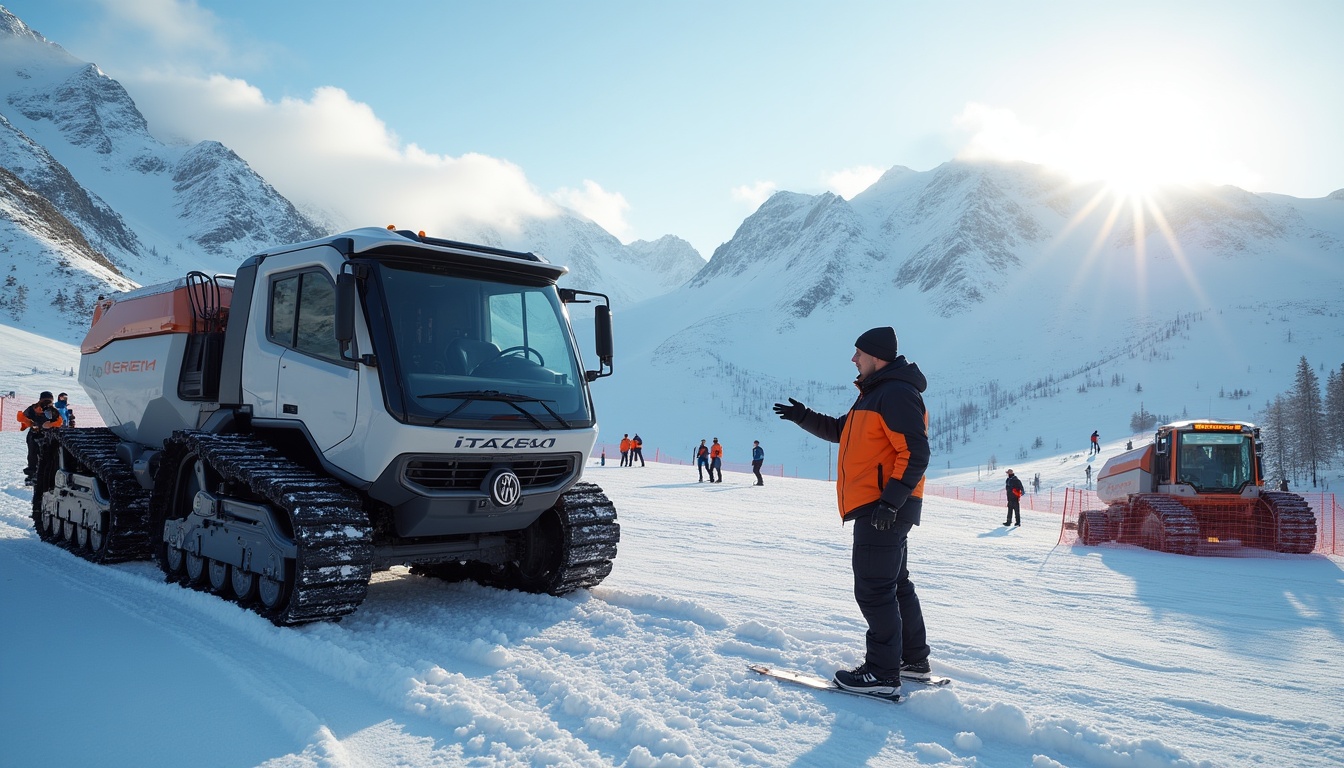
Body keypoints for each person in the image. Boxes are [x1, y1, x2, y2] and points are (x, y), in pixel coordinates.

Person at [773, 326, 931, 698]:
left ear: (877, 357)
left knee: (874, 589)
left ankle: (882, 673)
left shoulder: (894, 394)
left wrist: (890, 502)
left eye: (858, 353)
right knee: (894, 584)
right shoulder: (874, 395)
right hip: (885, 505)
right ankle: (912, 661)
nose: (853, 359)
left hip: (883, 506)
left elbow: (916, 453)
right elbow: (840, 431)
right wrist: (803, 416)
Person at [20, 391, 64, 485]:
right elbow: (22, 417)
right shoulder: (33, 409)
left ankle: (47, 474)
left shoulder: (53, 411)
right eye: (45, 400)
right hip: (34, 434)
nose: (47, 403)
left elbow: (60, 422)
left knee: (49, 455)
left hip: (49, 436)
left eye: (49, 401)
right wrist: (28, 422)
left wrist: (51, 424)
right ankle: (32, 474)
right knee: (32, 454)